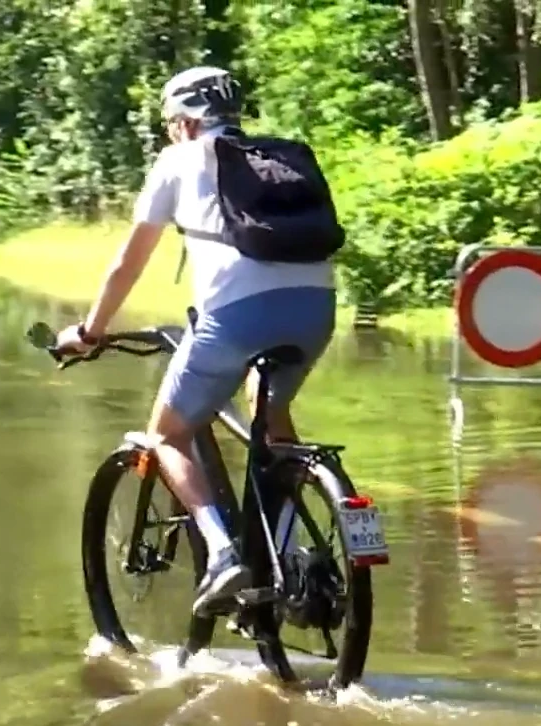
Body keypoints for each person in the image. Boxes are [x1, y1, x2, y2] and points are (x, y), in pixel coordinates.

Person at [53, 65, 341, 616]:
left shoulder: (178, 160)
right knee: (270, 413)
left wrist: (89, 332)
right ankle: (282, 557)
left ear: (184, 122)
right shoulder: (277, 158)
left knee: (166, 435)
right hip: (316, 310)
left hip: (236, 317)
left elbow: (127, 263)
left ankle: (224, 555)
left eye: (168, 124)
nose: (169, 134)